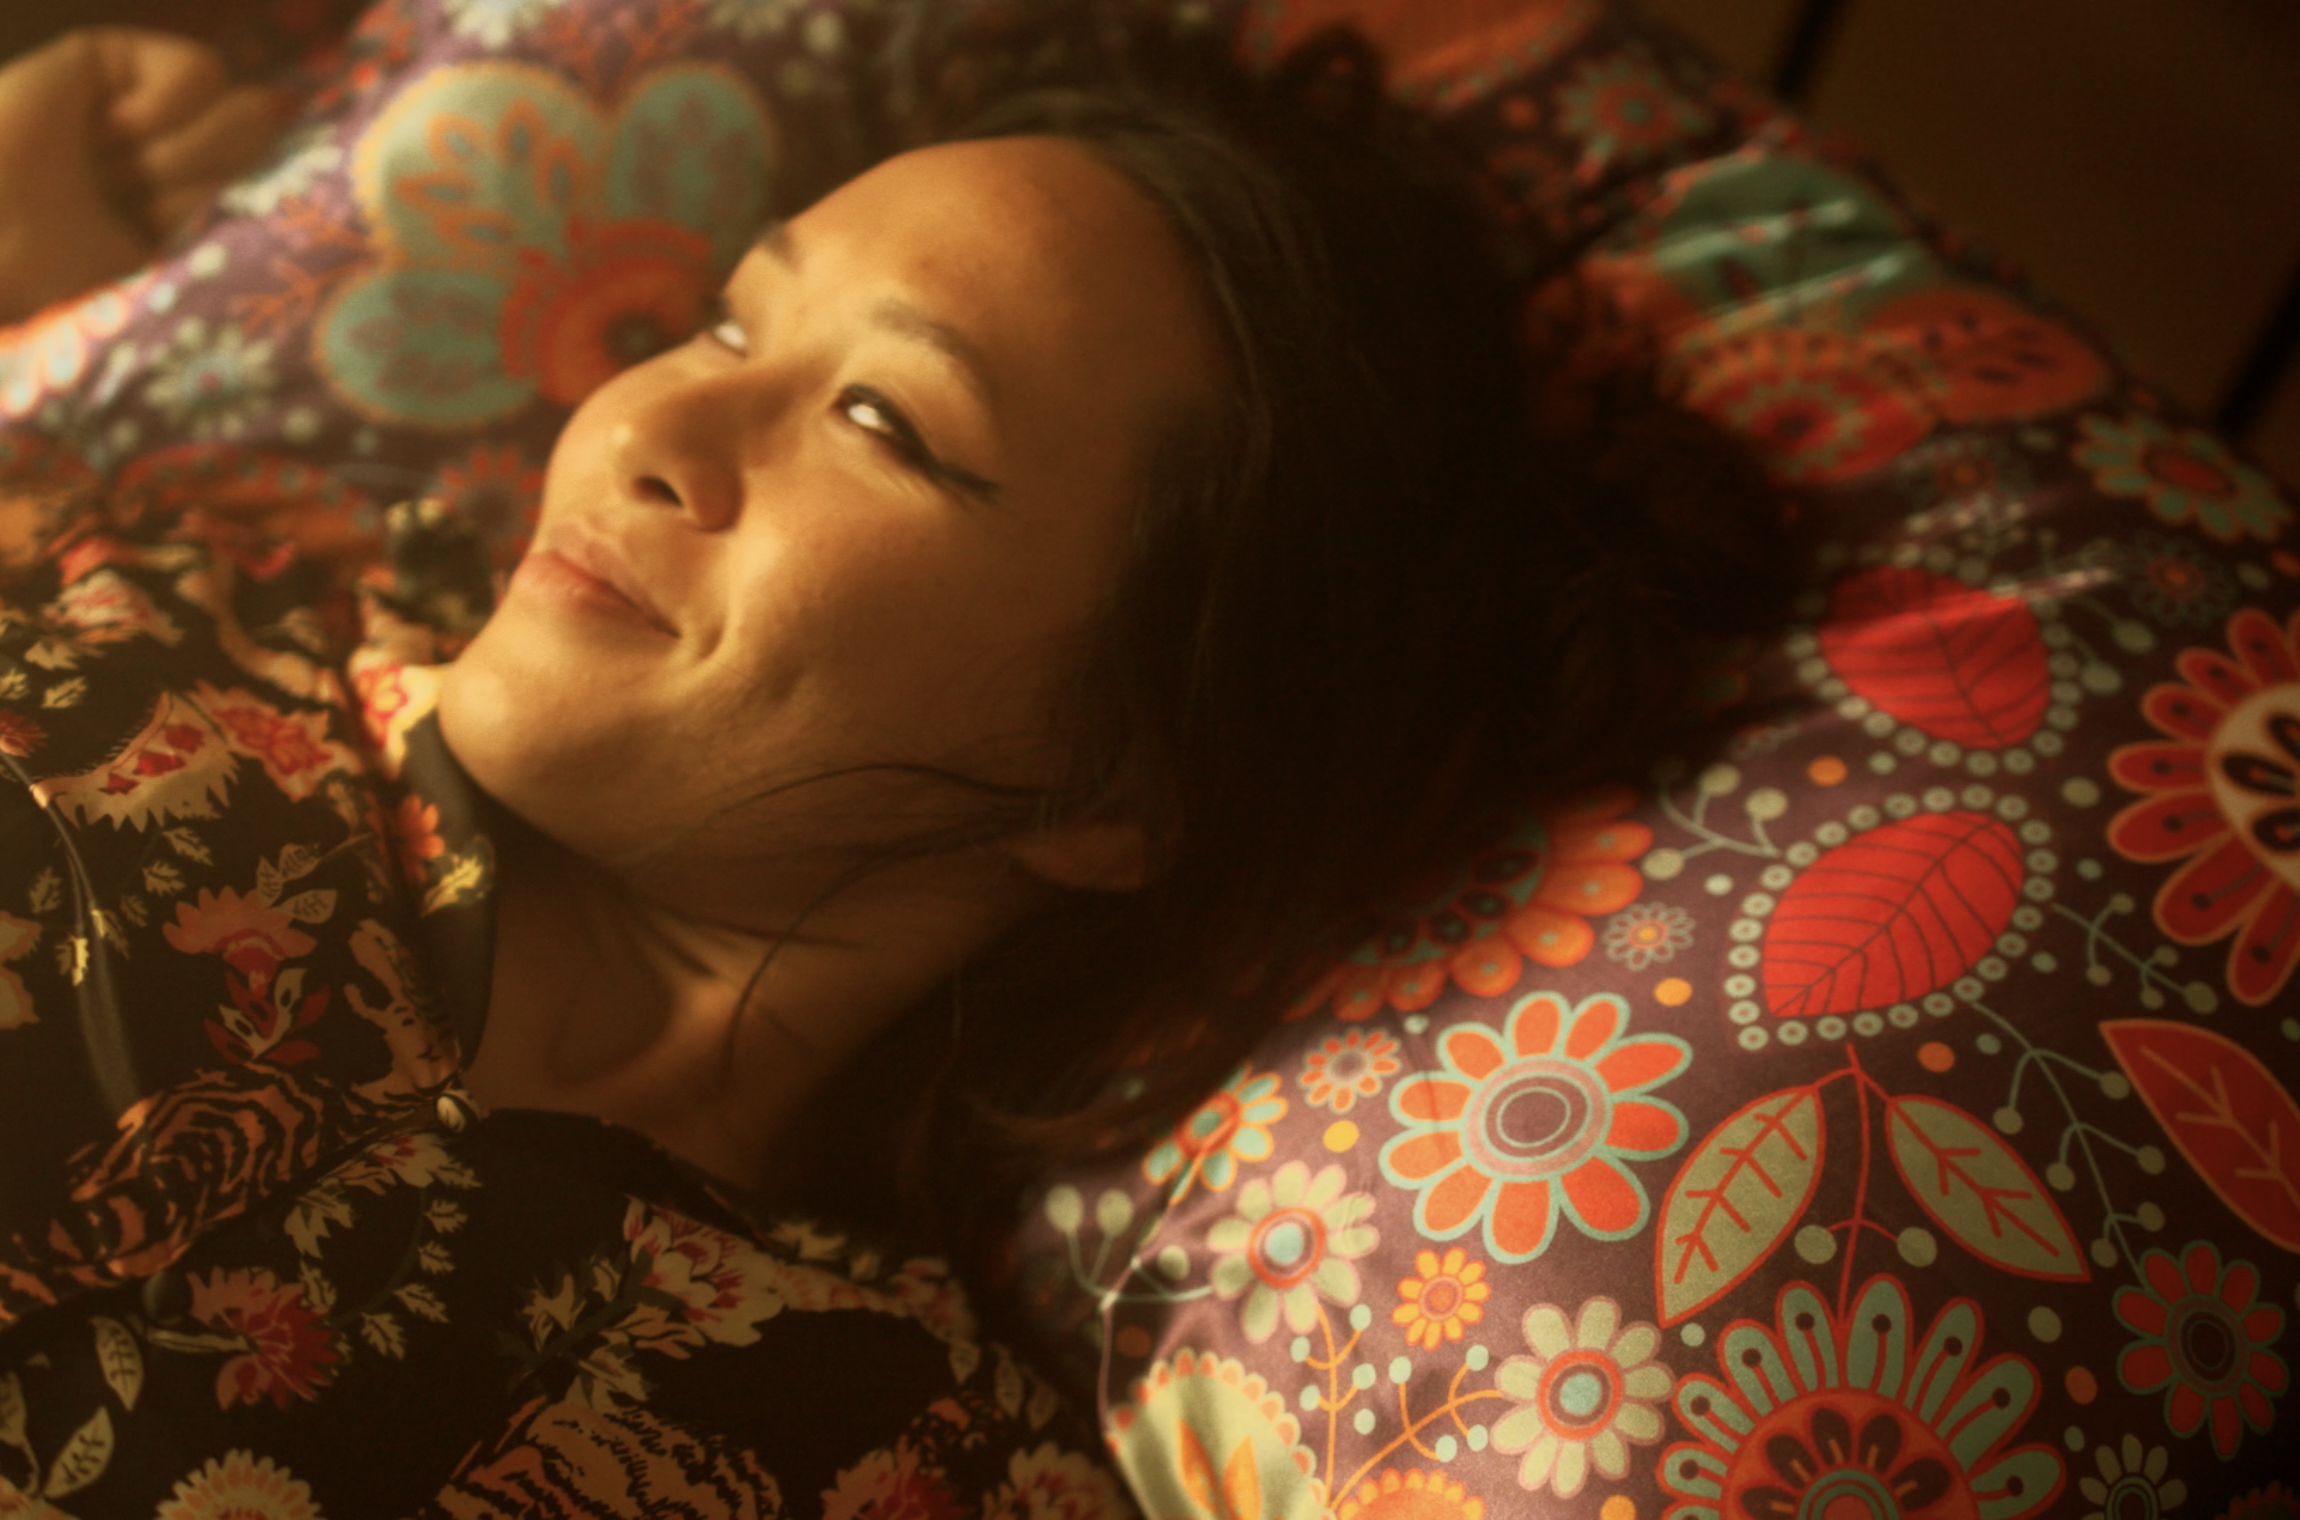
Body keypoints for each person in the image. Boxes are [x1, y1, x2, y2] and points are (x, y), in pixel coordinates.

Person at [0, 15, 1782, 1515]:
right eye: (722, 321)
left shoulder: (884, 1453)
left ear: (1124, 783)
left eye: (884, 421)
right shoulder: (116, 611)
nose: (646, 427)